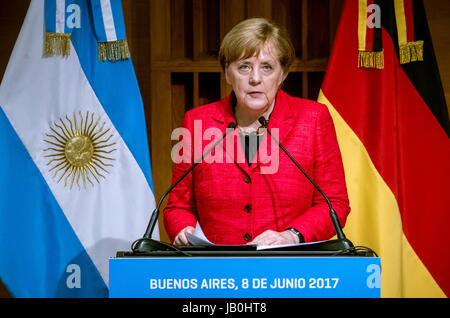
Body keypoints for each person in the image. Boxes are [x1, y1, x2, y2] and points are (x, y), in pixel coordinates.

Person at [163, 18, 350, 247]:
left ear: (282, 74)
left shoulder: (313, 119)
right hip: (216, 270)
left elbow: (334, 203)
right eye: (244, 66)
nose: (255, 78)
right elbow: (178, 207)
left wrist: (291, 236)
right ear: (227, 73)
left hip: (290, 269)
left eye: (267, 67)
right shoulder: (197, 122)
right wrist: (183, 228)